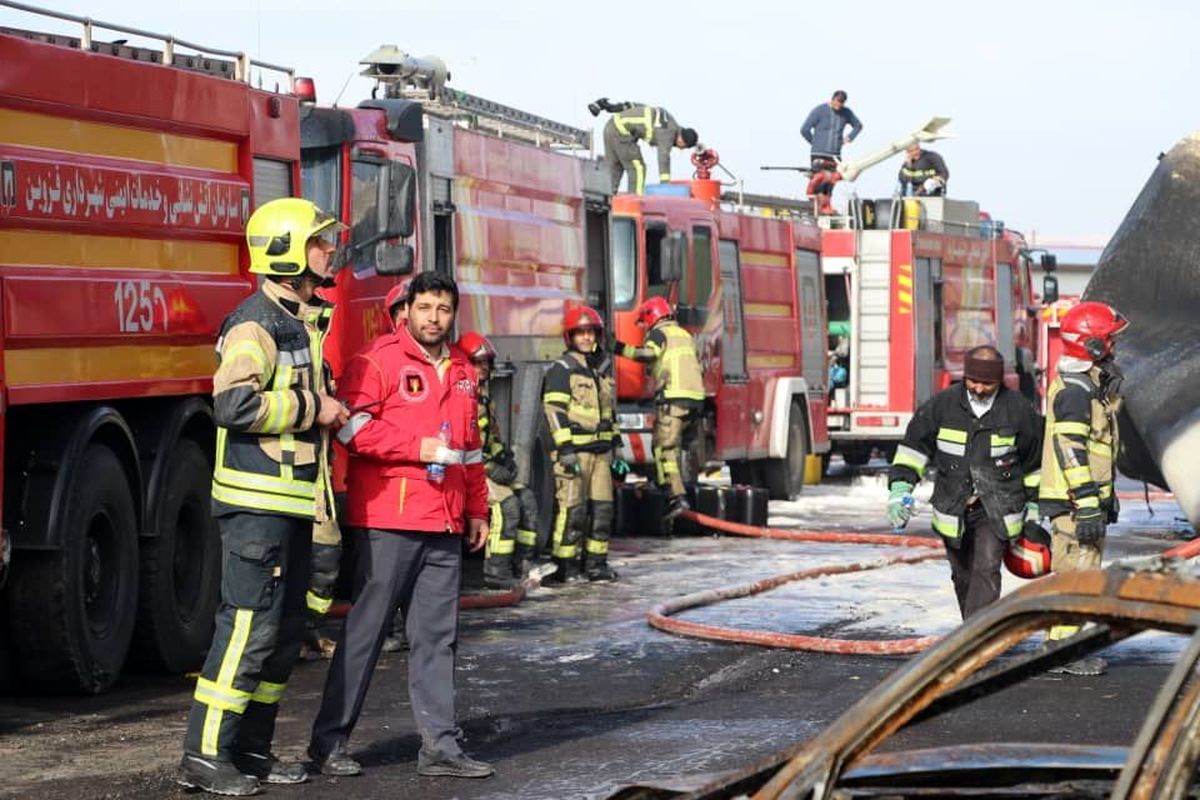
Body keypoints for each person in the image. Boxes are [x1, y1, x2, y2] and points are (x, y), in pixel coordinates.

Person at [178, 198, 350, 796]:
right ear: (287, 251)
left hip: (294, 504)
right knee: (247, 628)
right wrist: (314, 408)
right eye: (319, 243)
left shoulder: (303, 319)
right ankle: (205, 754)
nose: (330, 251)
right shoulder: (254, 323)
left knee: (283, 631)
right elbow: (233, 405)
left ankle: (251, 751)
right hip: (256, 507)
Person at [309, 271, 493, 779]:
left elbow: (472, 449)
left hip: (445, 521)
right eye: (426, 308)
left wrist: (478, 508)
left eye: (444, 309)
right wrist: (416, 449)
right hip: (388, 518)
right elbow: (350, 427)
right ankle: (327, 745)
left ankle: (441, 748)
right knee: (365, 633)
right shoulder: (377, 360)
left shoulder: (461, 369)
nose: (435, 318)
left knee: (438, 638)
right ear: (406, 310)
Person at [887, 345, 1042, 620]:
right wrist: (900, 489)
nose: (979, 388)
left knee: (986, 568)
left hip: (997, 509)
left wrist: (1034, 507)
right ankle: (972, 632)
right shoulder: (941, 407)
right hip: (953, 508)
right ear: (965, 376)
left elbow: (1035, 463)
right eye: (974, 381)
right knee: (963, 576)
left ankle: (977, 644)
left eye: (987, 383)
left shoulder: (1018, 411)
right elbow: (913, 450)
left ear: (999, 381)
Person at [1041, 301, 1129, 676]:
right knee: (1077, 576)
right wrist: (1089, 503)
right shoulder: (1077, 393)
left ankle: (1062, 645)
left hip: (1080, 500)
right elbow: (1070, 450)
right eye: (1110, 340)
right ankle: (1062, 651)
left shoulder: (1089, 387)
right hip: (1076, 504)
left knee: (1078, 575)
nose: (1115, 347)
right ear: (1093, 346)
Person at [456, 331, 543, 589]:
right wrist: (490, 467)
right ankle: (497, 571)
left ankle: (523, 563)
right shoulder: (461, 398)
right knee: (507, 506)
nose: (482, 368)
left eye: (485, 363)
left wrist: (504, 457)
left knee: (526, 498)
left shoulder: (484, 397)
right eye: (476, 362)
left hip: (485, 466)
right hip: (467, 470)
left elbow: (489, 438)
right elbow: (459, 445)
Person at [543, 305, 620, 582]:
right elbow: (554, 411)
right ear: (570, 337)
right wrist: (565, 449)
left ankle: (596, 565)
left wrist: (617, 448)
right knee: (572, 511)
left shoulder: (599, 371)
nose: (587, 338)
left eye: (591, 333)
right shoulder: (562, 369)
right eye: (581, 333)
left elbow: (609, 412)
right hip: (574, 454)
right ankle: (565, 567)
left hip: (601, 454)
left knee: (602, 511)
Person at [614, 296, 704, 519]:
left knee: (664, 450)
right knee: (672, 447)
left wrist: (618, 348)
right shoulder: (685, 334)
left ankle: (675, 496)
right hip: (696, 400)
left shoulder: (658, 333)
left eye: (644, 322)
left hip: (673, 399)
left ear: (652, 317)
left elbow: (648, 354)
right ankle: (673, 487)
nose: (644, 328)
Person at [590, 97, 699, 195]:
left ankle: (607, 199)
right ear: (682, 141)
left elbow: (637, 107)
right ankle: (634, 202)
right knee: (638, 168)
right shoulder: (669, 132)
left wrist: (613, 107)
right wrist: (665, 185)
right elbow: (664, 157)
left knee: (615, 167)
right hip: (621, 132)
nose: (679, 148)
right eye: (682, 147)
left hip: (611, 127)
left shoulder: (667, 118)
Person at [801, 90, 863, 208]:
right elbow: (804, 129)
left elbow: (858, 126)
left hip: (835, 155)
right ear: (832, 99)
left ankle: (826, 206)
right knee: (818, 180)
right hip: (818, 153)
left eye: (841, 104)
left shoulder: (846, 113)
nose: (838, 106)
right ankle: (813, 205)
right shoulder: (819, 110)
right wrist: (814, 143)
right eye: (837, 103)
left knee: (831, 183)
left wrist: (850, 137)